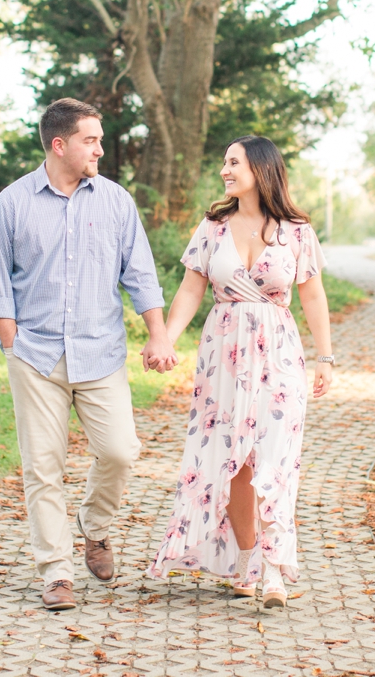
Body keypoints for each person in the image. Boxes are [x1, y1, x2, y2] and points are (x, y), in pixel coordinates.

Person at [0, 98, 179, 611]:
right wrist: (11, 345)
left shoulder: (115, 201)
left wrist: (157, 335)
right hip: (36, 356)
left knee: (120, 450)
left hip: (101, 352)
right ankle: (56, 572)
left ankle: (95, 528)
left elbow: (140, 274)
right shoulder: (12, 203)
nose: (100, 149)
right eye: (91, 140)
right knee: (42, 466)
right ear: (59, 144)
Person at [147, 134, 333, 608]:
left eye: (234, 162)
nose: (225, 170)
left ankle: (274, 571)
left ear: (261, 168)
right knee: (235, 464)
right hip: (223, 356)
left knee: (276, 458)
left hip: (279, 354)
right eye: (224, 162)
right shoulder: (213, 227)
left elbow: (312, 295)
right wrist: (166, 337)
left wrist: (325, 357)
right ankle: (248, 557)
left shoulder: (296, 231)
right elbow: (191, 289)